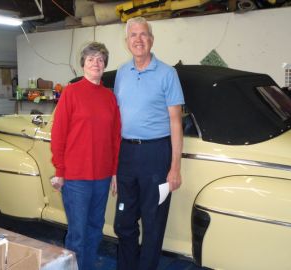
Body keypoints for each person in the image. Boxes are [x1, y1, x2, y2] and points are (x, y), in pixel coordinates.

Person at [113, 17, 185, 270]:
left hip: (156, 154)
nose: (138, 39)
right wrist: (113, 169)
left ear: (151, 40)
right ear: (127, 42)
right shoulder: (122, 73)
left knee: (153, 224)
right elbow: (116, 121)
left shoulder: (168, 74)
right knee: (123, 222)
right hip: (126, 154)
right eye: (133, 35)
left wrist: (175, 167)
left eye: (143, 34)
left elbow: (176, 122)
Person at [51, 42, 121, 270]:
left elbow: (115, 138)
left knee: (94, 230)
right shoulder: (71, 92)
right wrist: (60, 171)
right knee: (78, 234)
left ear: (104, 65)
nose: (96, 63)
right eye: (91, 59)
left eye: (100, 59)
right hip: (76, 178)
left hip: (101, 179)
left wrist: (113, 172)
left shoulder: (109, 98)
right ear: (83, 64)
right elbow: (58, 134)